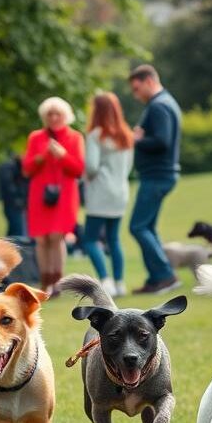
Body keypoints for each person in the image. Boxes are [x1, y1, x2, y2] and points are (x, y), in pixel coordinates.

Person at [128, 64, 182, 294]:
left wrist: (137, 139)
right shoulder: (163, 102)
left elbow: (162, 141)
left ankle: (165, 276)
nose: (135, 95)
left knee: (138, 226)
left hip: (157, 175)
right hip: (160, 175)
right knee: (147, 226)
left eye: (137, 88)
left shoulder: (159, 106)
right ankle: (156, 278)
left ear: (149, 81)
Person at [22, 97, 85, 295]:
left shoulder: (75, 137)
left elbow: (79, 169)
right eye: (50, 114)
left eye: (58, 114)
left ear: (66, 116)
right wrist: (42, 156)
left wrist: (63, 155)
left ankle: (58, 282)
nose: (54, 117)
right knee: (41, 239)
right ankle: (45, 282)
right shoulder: (36, 137)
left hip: (64, 195)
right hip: (39, 195)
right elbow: (26, 169)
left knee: (57, 237)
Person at [81, 92, 134, 297]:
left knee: (90, 239)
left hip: (100, 191)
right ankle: (120, 282)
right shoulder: (126, 134)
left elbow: (92, 167)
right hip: (120, 191)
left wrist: (86, 176)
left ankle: (105, 280)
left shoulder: (95, 135)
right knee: (114, 239)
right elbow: (128, 166)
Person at [0, 152, 28, 237]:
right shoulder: (8, 168)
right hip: (13, 205)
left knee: (14, 231)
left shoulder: (20, 169)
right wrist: (19, 198)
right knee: (18, 232)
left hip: (18, 204)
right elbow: (8, 186)